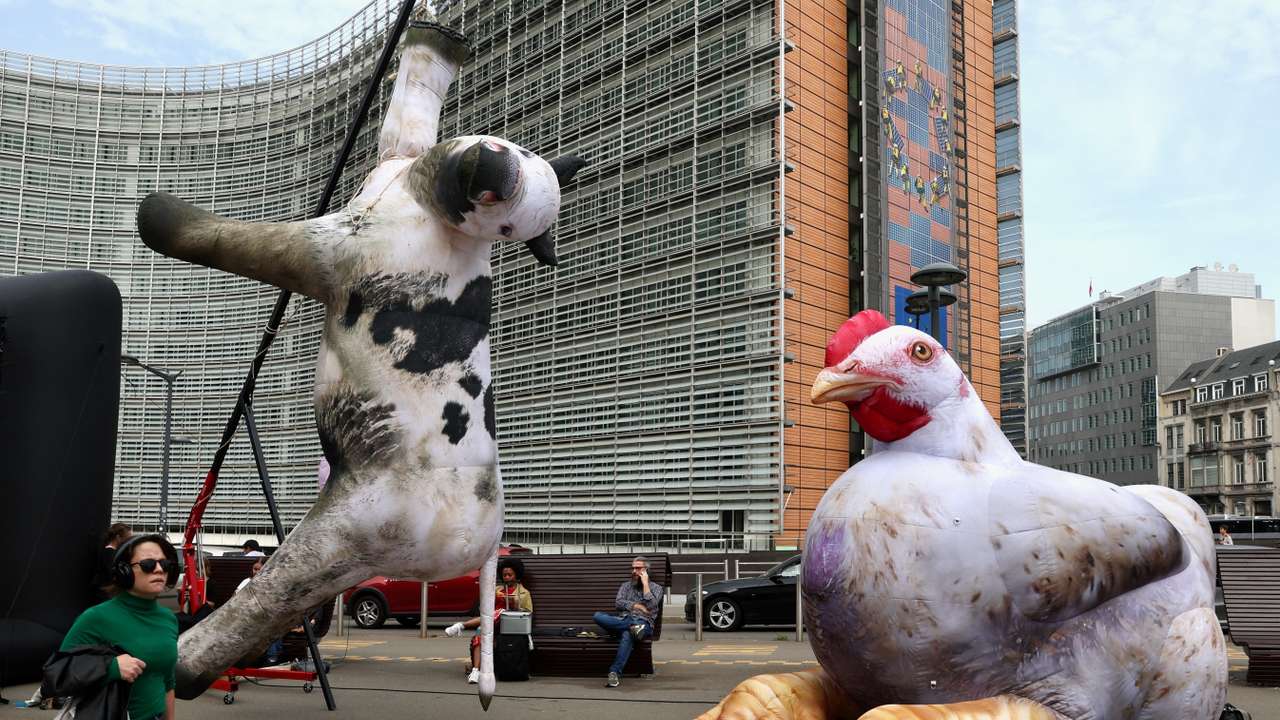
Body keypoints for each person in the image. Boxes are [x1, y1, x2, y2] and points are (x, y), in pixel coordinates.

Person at [53, 533, 180, 720]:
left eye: (165, 564)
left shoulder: (168, 619)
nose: (159, 569)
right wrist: (111, 668)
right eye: (148, 564)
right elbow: (58, 674)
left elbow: (167, 681)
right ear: (124, 571)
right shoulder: (96, 617)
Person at [444, 557, 532, 684]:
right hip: (491, 623)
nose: (507, 577)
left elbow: (528, 612)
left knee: (499, 612)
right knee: (481, 631)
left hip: (509, 625)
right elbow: (483, 607)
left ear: (516, 575)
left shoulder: (524, 593)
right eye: (504, 575)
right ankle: (476, 671)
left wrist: (515, 603)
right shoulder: (496, 590)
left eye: (510, 575)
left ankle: (461, 626)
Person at [593, 556, 662, 688]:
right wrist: (636, 606)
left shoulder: (656, 588)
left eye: (638, 568)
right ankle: (633, 628)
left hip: (644, 623)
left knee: (627, 635)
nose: (634, 571)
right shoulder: (625, 586)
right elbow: (618, 603)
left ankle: (614, 672)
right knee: (598, 616)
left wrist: (646, 584)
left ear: (646, 570)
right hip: (625, 620)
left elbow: (652, 605)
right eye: (633, 568)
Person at [92, 523, 133, 599]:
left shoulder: (112, 552)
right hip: (107, 592)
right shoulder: (109, 553)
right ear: (118, 537)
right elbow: (113, 573)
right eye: (127, 538)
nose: (129, 542)